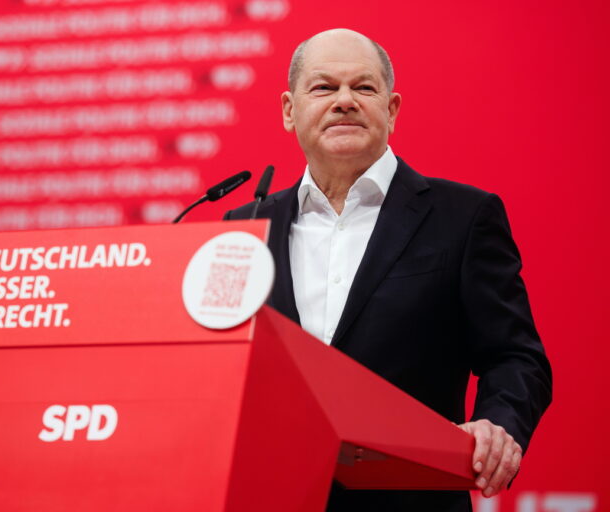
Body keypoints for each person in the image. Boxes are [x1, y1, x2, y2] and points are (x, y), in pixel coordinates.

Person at [224, 29, 552, 511]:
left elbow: (516, 356)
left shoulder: (462, 217)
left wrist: (497, 425)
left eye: (363, 87)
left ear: (392, 109)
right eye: (323, 87)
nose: (344, 101)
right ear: (289, 111)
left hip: (412, 498)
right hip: (274, 497)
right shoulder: (245, 227)